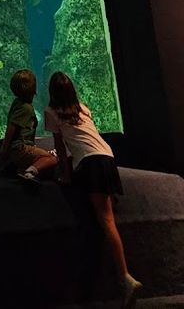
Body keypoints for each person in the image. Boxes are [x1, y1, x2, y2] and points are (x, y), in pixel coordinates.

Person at [46, 71, 142, 307]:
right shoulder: (83, 108)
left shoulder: (51, 113)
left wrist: (65, 177)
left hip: (90, 163)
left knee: (106, 219)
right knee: (106, 214)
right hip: (107, 157)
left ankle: (126, 277)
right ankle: (122, 277)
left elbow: (60, 147)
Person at [0, 68, 57, 183]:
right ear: (33, 88)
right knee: (51, 159)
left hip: (19, 148)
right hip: (20, 148)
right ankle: (29, 173)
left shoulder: (17, 102)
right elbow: (12, 127)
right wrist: (4, 149)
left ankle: (16, 168)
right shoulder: (25, 107)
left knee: (44, 159)